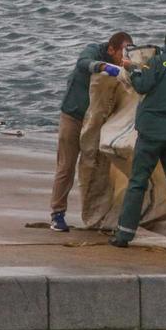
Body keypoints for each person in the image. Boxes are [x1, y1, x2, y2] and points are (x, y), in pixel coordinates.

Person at [109, 30, 166, 252]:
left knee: (138, 182)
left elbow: (142, 86)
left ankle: (124, 235)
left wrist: (132, 68)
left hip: (151, 133)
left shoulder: (157, 62)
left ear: (165, 44)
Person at [50, 31, 133, 232]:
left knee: (97, 166)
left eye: (127, 52)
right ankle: (57, 214)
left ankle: (98, 214)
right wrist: (103, 67)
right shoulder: (94, 50)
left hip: (96, 123)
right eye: (122, 52)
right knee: (66, 167)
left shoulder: (124, 63)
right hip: (73, 116)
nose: (124, 57)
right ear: (111, 49)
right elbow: (83, 62)